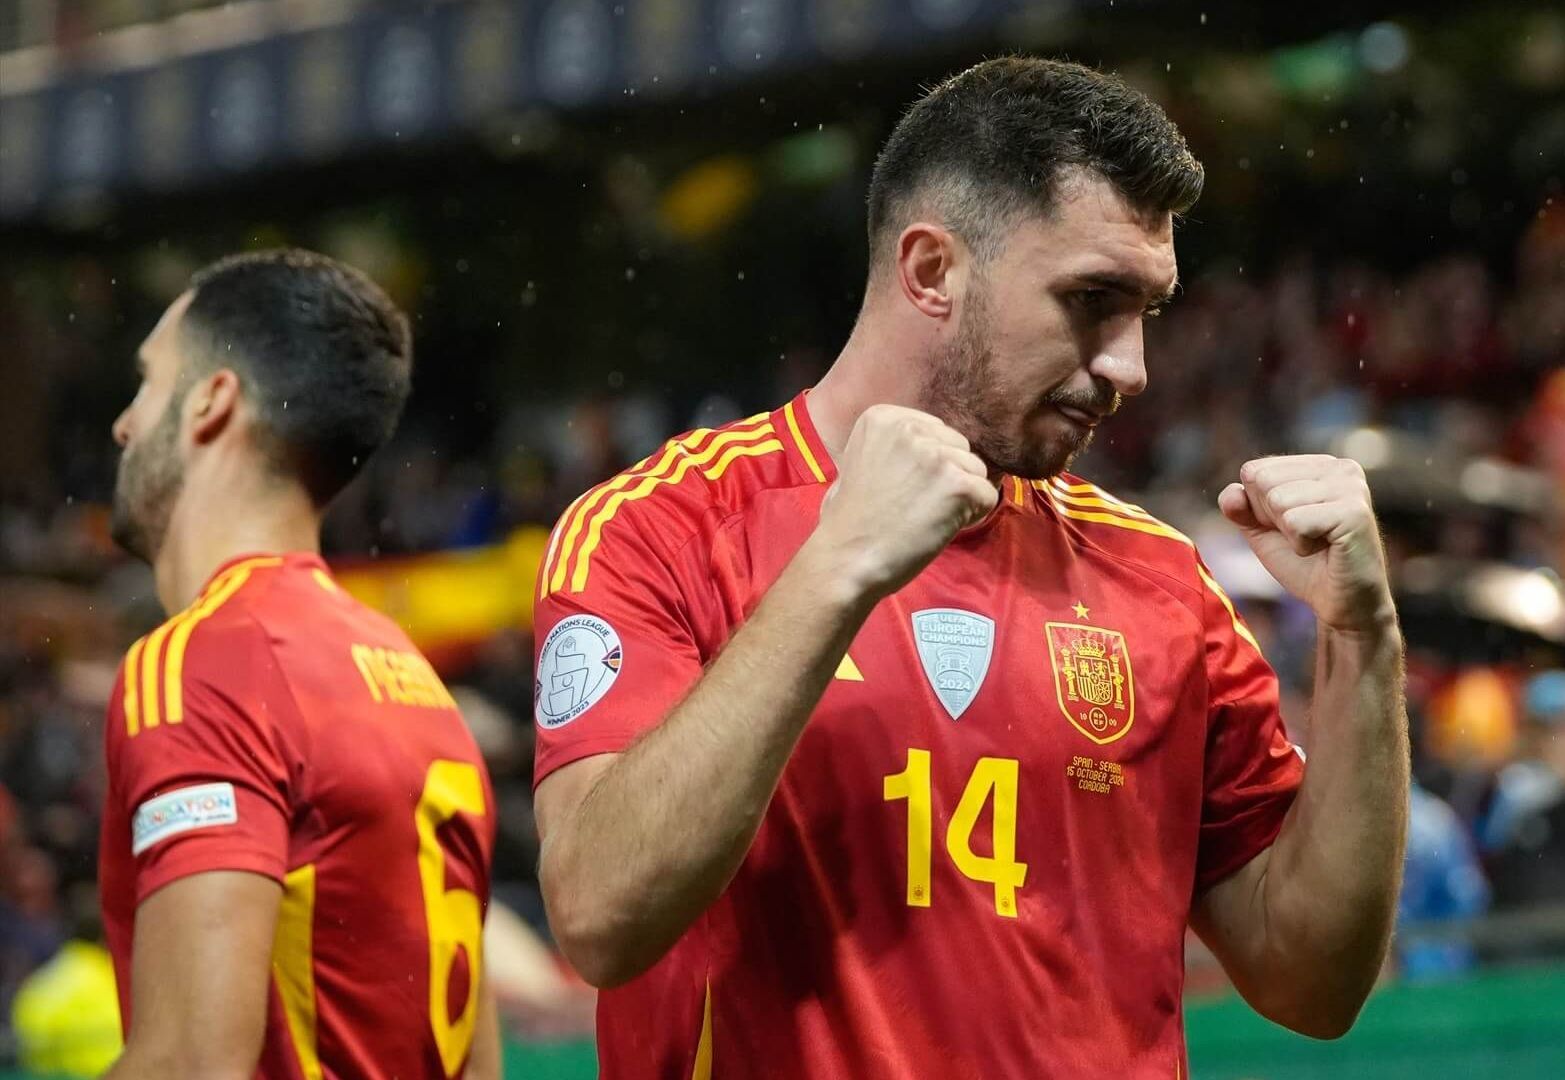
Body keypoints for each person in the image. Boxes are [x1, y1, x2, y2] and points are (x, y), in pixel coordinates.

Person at [533, 57, 1407, 1076]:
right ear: (933, 271)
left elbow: (1313, 981)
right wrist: (838, 570)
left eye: (1147, 312)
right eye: (1091, 300)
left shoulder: (1160, 583)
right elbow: (600, 915)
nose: (1131, 366)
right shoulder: (663, 529)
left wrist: (1365, 644)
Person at [98, 250, 499, 1079]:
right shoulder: (415, 684)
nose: (123, 424)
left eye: (146, 383)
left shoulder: (203, 661)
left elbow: (192, 1064)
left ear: (211, 401)